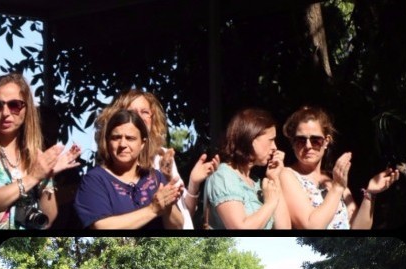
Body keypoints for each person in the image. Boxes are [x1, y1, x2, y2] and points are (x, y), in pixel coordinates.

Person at [0, 73, 81, 229]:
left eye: (14, 105)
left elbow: (47, 220)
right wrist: (33, 177)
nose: (5, 112)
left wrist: (47, 178)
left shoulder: (32, 154)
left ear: (27, 109)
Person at [93, 90, 220, 228]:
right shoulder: (114, 162)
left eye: (145, 112)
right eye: (132, 111)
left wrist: (193, 183)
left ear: (153, 118)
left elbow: (184, 215)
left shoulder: (162, 155)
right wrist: (153, 207)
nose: (139, 116)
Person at [280, 106, 400, 229]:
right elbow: (311, 226)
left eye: (315, 140)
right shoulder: (287, 175)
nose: (308, 146)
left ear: (326, 141)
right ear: (292, 143)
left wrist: (370, 193)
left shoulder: (334, 181)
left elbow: (359, 229)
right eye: (300, 140)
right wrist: (337, 187)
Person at [75, 109, 184, 229]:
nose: (122, 144)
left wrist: (168, 206)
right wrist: (152, 209)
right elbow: (101, 226)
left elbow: (178, 226)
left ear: (142, 143)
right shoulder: (94, 180)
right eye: (116, 138)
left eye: (130, 138)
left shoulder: (156, 177)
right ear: (107, 141)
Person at [204, 108, 291, 229]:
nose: (275, 147)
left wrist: (275, 178)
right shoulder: (223, 177)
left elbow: (284, 228)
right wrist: (270, 204)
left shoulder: (255, 182)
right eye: (271, 140)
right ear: (251, 139)